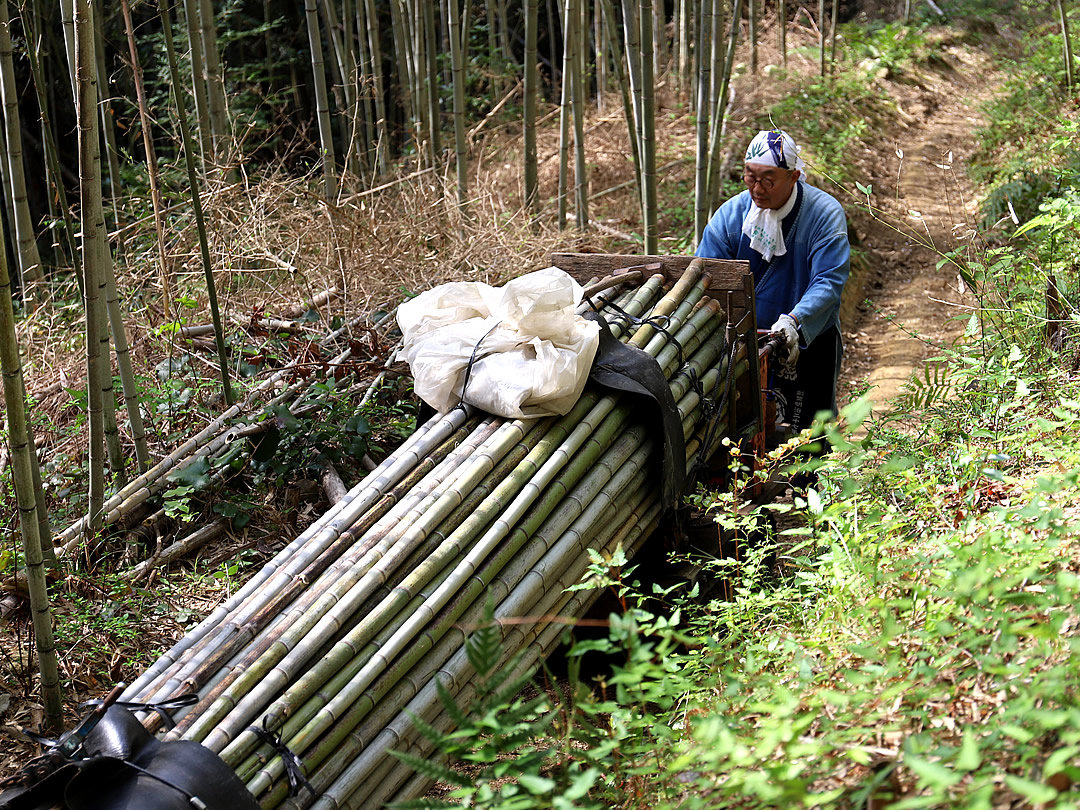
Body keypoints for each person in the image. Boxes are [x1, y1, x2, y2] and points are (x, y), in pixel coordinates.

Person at [695, 129, 850, 434]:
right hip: (743, 343)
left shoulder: (824, 215)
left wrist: (795, 321)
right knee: (743, 434)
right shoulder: (731, 216)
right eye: (750, 177)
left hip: (806, 338)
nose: (757, 188)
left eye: (768, 179)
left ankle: (808, 481)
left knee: (807, 435)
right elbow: (706, 276)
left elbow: (828, 281)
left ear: (793, 177)